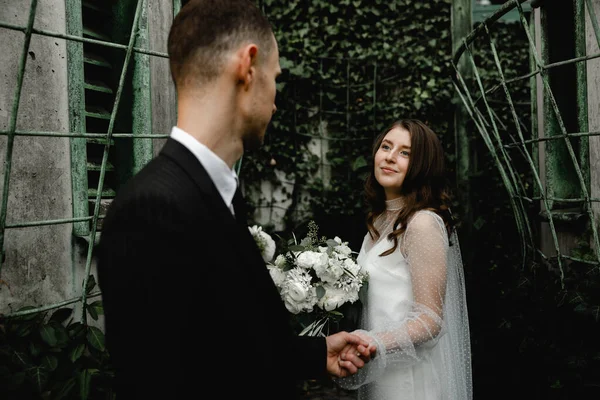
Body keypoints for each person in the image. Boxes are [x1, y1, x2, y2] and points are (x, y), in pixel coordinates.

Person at [95, 0, 375, 399]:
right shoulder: (151, 211)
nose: (276, 101)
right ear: (248, 66)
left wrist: (311, 355)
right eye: (275, 77)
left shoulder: (216, 192)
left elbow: (221, 345)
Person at [335, 119, 472, 399]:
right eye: (386, 147)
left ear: (424, 164)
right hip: (383, 373)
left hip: (410, 380)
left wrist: (371, 341)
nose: (389, 157)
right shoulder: (380, 221)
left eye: (405, 153)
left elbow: (430, 320)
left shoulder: (421, 224)